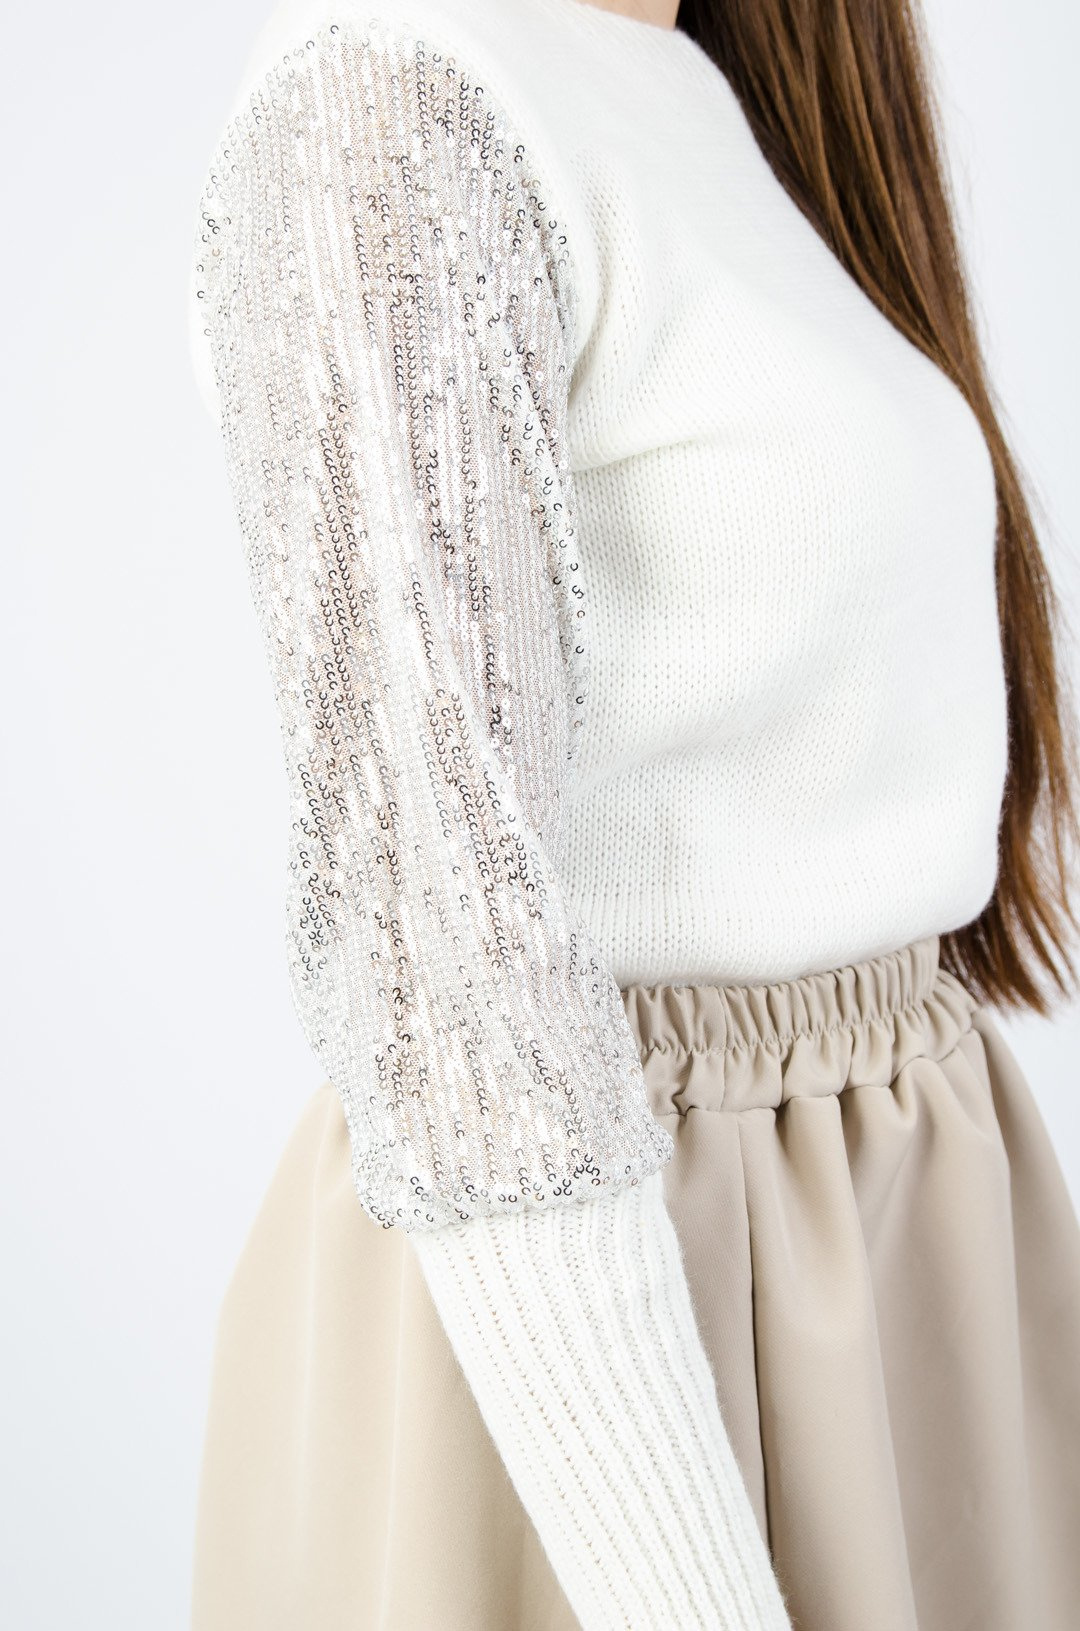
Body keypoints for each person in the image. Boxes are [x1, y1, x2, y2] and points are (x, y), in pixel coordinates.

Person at [186, 0, 1080, 1625]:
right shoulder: (389, 99)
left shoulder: (719, 93)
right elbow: (444, 956)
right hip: (607, 1311)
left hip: (910, 1245)